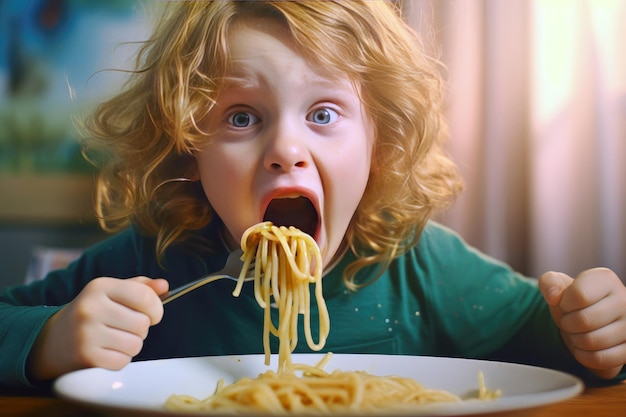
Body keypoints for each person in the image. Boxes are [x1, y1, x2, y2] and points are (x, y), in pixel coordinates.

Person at [1, 0, 625, 390]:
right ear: (186, 148)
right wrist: (51, 339)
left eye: (324, 113)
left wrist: (592, 333)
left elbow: (549, 341)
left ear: (379, 143)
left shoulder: (417, 265)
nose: (285, 148)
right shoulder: (156, 259)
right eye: (242, 117)